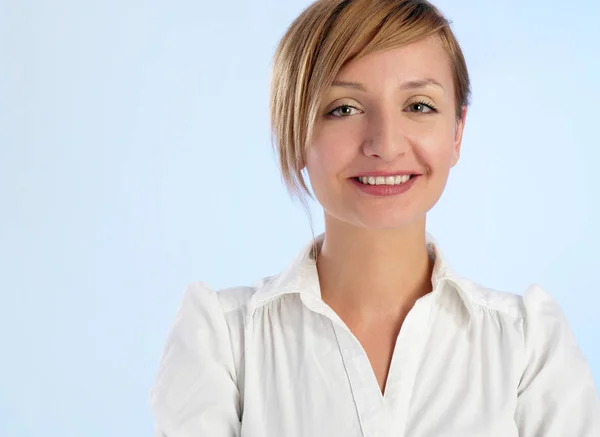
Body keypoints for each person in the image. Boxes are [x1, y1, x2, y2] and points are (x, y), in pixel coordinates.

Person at [150, 0, 600, 435]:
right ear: (293, 131)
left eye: (419, 106)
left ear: (457, 132)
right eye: (344, 108)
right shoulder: (224, 344)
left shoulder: (527, 347)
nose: (385, 144)